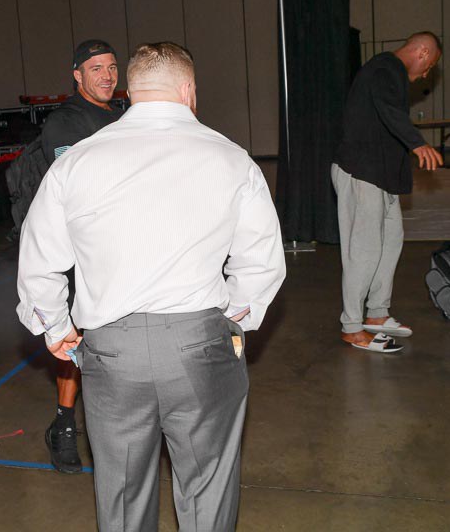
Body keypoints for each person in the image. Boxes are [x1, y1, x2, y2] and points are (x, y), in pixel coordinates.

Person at [16, 42, 286, 530]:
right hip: (200, 344)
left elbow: (38, 260)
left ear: (131, 90)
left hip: (112, 353)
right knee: (207, 491)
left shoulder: (77, 161)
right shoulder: (231, 158)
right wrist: (231, 321)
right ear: (189, 90)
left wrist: (54, 326)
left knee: (121, 497)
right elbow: (261, 261)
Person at [39, 39, 124, 474]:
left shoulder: (124, 114)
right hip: (79, 249)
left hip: (123, 246)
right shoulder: (65, 122)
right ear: (77, 75)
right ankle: (64, 424)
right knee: (75, 340)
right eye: (96, 69)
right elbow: (75, 192)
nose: (107, 76)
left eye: (111, 67)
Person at [332, 32, 444, 353]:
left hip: (380, 176)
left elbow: (384, 122)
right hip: (361, 172)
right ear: (422, 53)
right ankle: (352, 327)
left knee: (391, 240)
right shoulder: (384, 68)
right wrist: (417, 143)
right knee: (364, 250)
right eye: (429, 67)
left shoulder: (389, 73)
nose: (425, 75)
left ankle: (377, 313)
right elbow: (386, 108)